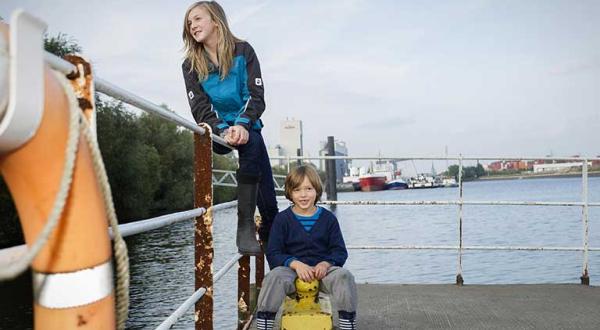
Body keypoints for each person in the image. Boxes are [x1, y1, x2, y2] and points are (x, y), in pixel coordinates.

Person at [181, 1, 278, 255]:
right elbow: (200, 108)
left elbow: (256, 95)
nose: (193, 26)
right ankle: (248, 224)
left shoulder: (244, 51)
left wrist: (243, 125)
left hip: (247, 126)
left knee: (255, 150)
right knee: (250, 143)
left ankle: (264, 231)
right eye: (189, 23)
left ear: (216, 20)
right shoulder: (190, 65)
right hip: (216, 131)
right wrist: (224, 129)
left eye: (198, 19)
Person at [256, 165, 357, 330]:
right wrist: (295, 264)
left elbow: (339, 251)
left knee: (344, 276)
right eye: (297, 190)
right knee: (273, 277)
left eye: (308, 189)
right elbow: (274, 253)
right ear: (290, 193)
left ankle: (347, 323)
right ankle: (264, 323)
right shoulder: (282, 219)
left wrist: (326, 264)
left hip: (322, 273)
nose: (303, 195)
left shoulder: (328, 219)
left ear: (317, 190)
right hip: (291, 273)